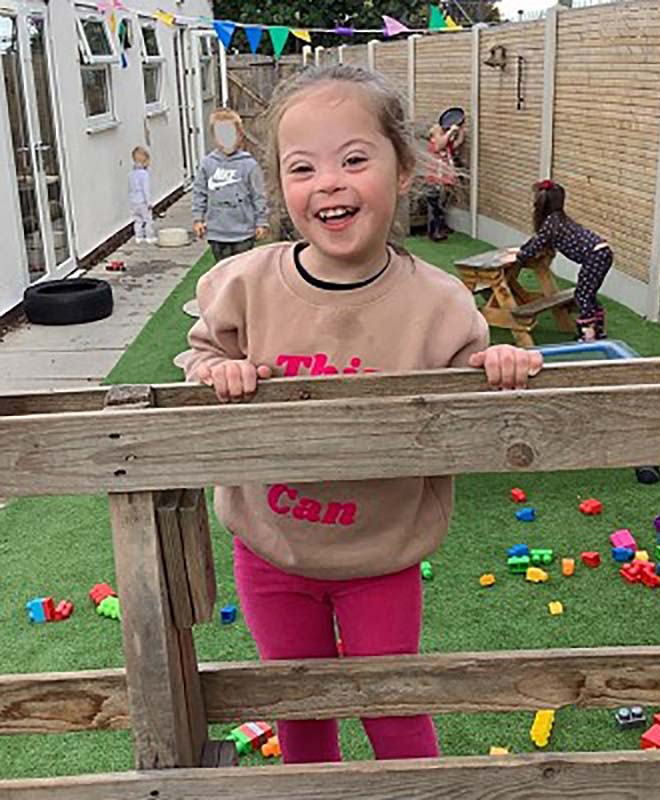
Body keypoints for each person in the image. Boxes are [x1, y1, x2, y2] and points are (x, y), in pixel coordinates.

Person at [181, 64, 542, 765]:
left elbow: (470, 378)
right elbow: (199, 356)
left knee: (394, 706)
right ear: (282, 185)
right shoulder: (243, 286)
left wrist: (499, 367)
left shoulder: (439, 302)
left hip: (382, 557)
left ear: (403, 169)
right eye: (303, 167)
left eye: (354, 159)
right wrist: (215, 370)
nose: (330, 183)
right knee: (301, 713)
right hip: (271, 550)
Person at [515, 179, 613, 342]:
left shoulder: (551, 223)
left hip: (594, 256)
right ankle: (598, 330)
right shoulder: (559, 220)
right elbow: (537, 240)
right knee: (588, 293)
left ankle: (588, 334)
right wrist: (524, 248)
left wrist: (520, 256)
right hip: (603, 252)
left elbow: (535, 247)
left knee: (582, 295)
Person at [191, 108, 269, 262]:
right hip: (217, 232)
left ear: (239, 135)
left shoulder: (249, 165)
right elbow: (199, 192)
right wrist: (198, 219)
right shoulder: (208, 164)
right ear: (214, 137)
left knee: (242, 270)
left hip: (243, 233)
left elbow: (259, 195)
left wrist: (261, 222)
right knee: (222, 271)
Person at [424, 121, 464, 241]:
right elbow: (439, 145)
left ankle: (441, 227)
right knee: (434, 207)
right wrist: (451, 131)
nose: (443, 134)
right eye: (440, 133)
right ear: (433, 136)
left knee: (441, 206)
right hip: (434, 180)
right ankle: (434, 232)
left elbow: (458, 142)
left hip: (444, 180)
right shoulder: (433, 145)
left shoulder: (446, 145)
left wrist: (460, 130)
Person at [128, 146, 156, 244]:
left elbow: (130, 188)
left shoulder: (131, 174)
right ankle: (149, 236)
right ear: (145, 161)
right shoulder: (144, 174)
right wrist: (149, 202)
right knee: (147, 219)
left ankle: (138, 237)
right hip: (142, 201)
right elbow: (145, 190)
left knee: (137, 220)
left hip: (133, 202)